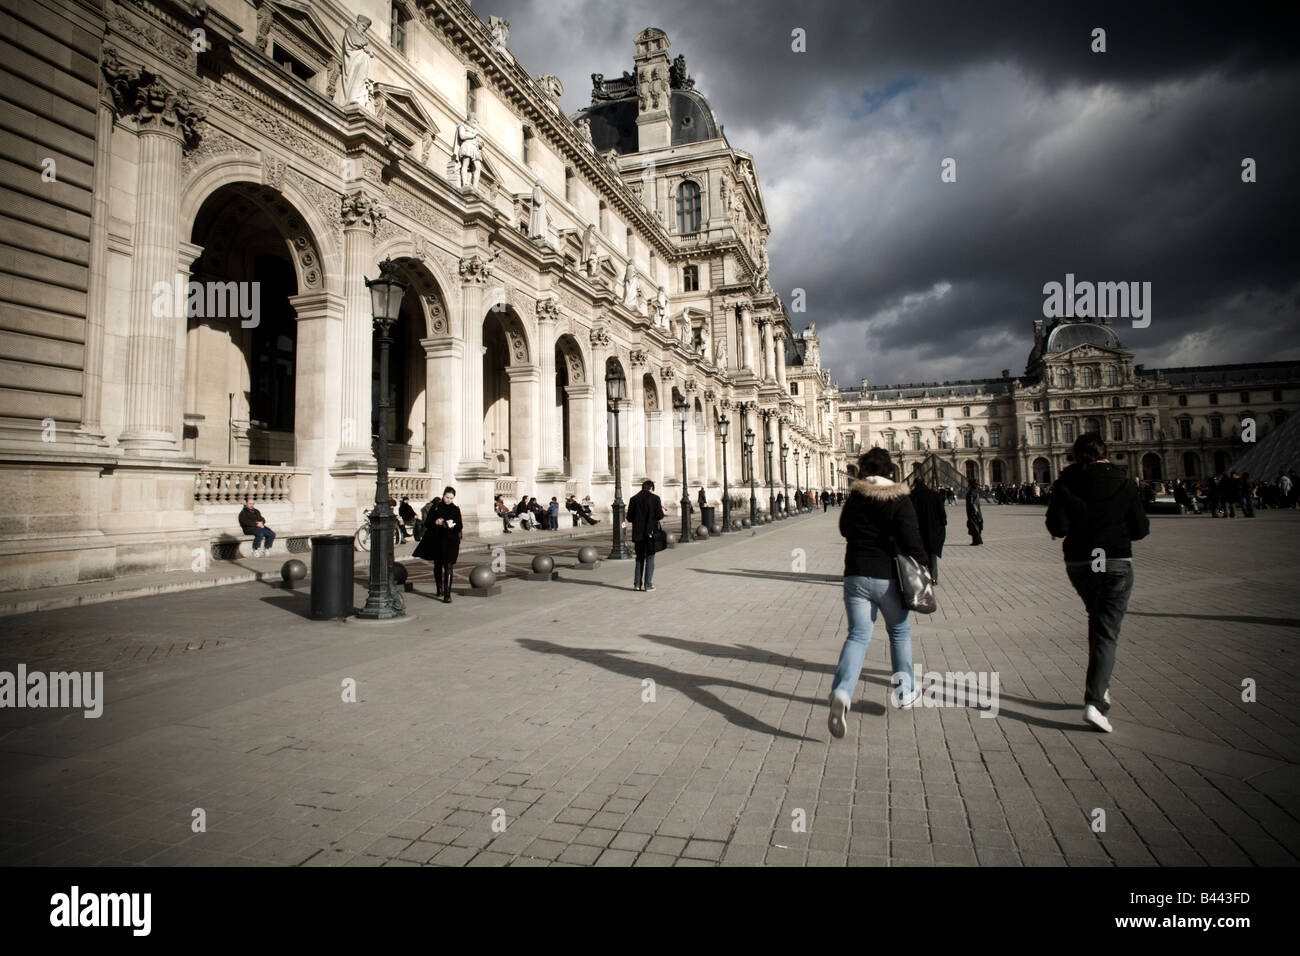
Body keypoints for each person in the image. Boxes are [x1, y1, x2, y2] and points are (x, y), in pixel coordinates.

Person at [1046, 433, 1149, 733]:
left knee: (1098, 622)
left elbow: (1058, 527)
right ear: (1106, 452)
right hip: (1115, 561)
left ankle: (1100, 688)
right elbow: (1141, 529)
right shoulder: (1124, 482)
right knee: (1106, 631)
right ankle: (1095, 702)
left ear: (1076, 455)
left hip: (1080, 564)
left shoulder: (1065, 482)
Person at [828, 448, 928, 739]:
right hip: (888, 578)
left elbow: (845, 529)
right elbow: (911, 539)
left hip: (856, 574)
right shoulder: (899, 496)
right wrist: (923, 566)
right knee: (898, 633)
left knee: (858, 636)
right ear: (892, 472)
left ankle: (842, 692)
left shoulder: (857, 496)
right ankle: (906, 691)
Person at [413, 486, 462, 603]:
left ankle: (447, 594)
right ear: (443, 495)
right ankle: (439, 589)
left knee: (449, 566)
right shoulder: (435, 507)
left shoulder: (455, 509)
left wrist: (452, 525)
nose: (448, 500)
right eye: (447, 497)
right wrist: (436, 522)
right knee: (438, 565)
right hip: (437, 540)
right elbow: (428, 523)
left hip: (451, 541)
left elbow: (460, 526)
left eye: (451, 498)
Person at [626, 479, 665, 592]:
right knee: (650, 557)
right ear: (651, 488)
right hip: (650, 533)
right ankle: (648, 585)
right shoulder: (655, 498)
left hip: (638, 533)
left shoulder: (634, 499)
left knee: (639, 558)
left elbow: (629, 518)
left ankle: (637, 584)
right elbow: (659, 516)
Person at [911, 476, 947, 585]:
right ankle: (934, 577)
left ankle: (922, 576)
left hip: (919, 530)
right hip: (933, 530)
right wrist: (942, 524)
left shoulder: (913, 496)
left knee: (920, 554)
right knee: (932, 555)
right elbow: (942, 515)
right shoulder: (935, 496)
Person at [965, 477, 983, 545]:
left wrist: (974, 511)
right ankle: (978, 540)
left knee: (973, 526)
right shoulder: (975, 491)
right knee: (976, 525)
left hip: (972, 511)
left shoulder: (971, 492)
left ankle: (976, 541)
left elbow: (972, 503)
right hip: (977, 511)